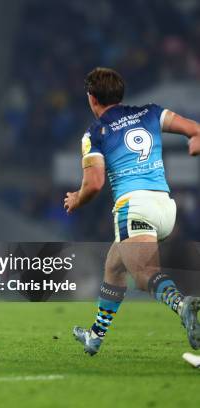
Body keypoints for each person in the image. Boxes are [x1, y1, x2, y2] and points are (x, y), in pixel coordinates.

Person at [64, 67, 200, 355]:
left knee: (143, 275)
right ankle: (95, 336)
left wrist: (77, 198)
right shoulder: (151, 112)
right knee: (114, 265)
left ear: (92, 98)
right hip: (164, 207)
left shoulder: (95, 133)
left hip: (134, 207)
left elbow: (95, 183)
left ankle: (181, 304)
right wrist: (196, 139)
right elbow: (194, 128)